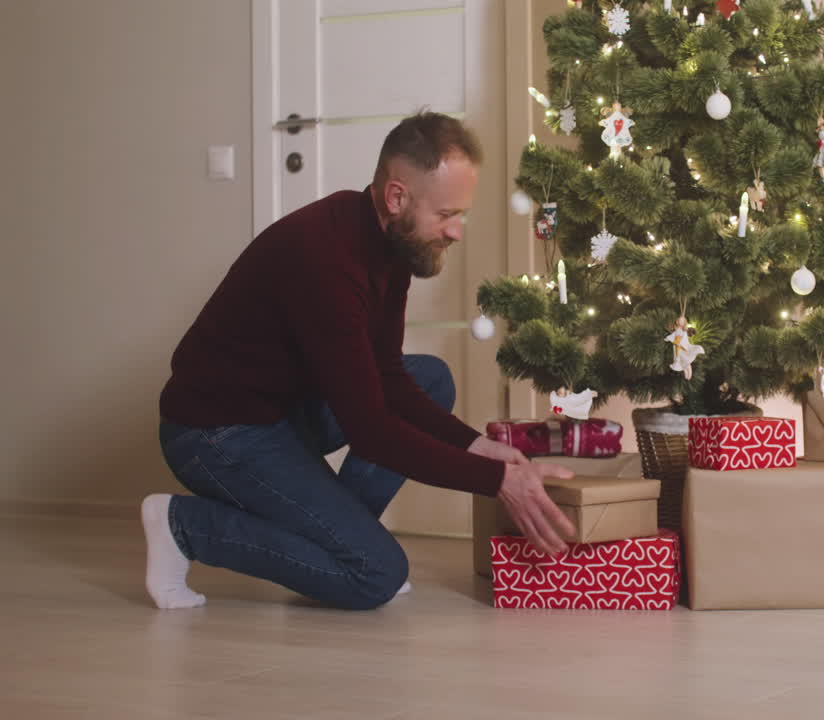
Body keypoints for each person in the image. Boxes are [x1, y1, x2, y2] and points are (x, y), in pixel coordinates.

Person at [145, 111, 575, 611]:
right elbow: (371, 429)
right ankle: (185, 526)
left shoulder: (392, 244)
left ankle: (340, 544)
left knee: (429, 378)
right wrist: (499, 483)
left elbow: (388, 376)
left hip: (283, 416)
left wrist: (479, 447)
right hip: (216, 434)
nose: (456, 232)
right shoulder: (324, 258)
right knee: (376, 574)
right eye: (446, 214)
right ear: (397, 197)